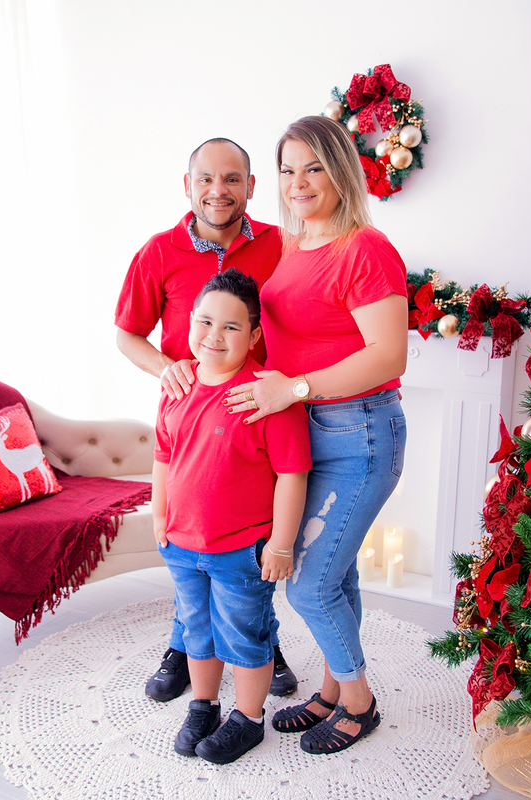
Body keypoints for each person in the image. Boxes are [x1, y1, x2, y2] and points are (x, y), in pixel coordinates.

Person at [223, 115, 409, 755]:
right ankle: (331, 691)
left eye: (314, 167)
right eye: (287, 168)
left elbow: (388, 356)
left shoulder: (366, 248)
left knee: (307, 583)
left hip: (358, 436)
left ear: (342, 172)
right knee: (337, 576)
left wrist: (293, 388)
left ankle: (359, 704)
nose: (299, 182)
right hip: (306, 437)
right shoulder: (295, 245)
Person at [114, 138, 298, 701]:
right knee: (191, 544)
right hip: (189, 415)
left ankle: (257, 644)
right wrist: (165, 367)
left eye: (233, 179)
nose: (219, 191)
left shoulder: (281, 246)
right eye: (207, 179)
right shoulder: (158, 252)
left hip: (257, 419)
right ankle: (186, 647)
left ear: (250, 185)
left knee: (243, 545)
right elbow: (127, 333)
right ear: (188, 184)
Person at [153, 269, 310, 763]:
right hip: (182, 543)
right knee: (196, 630)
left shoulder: (265, 395)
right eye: (205, 322)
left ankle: (249, 718)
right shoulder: (176, 386)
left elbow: (291, 474)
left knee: (245, 634)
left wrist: (281, 544)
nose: (214, 336)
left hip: (241, 549)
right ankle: (204, 705)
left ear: (255, 335)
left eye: (231, 327)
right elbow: (162, 458)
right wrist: (160, 520)